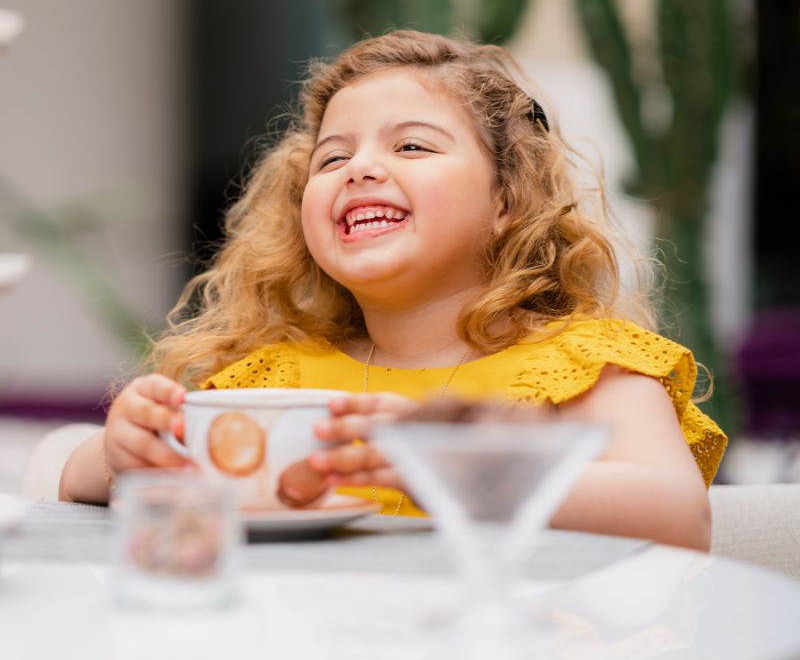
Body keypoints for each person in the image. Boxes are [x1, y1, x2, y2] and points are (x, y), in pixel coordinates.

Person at [60, 30, 726, 549]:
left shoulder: (586, 365)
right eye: (333, 157)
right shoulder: (276, 380)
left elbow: (680, 517)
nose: (360, 169)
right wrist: (123, 455)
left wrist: (455, 466)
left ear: (507, 199)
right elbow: (80, 479)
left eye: (411, 147)